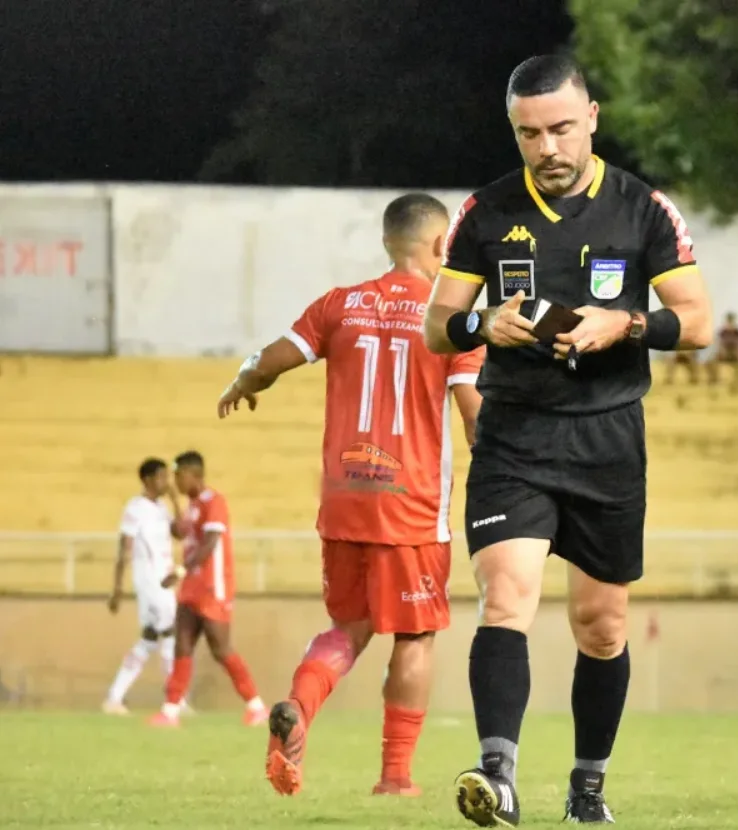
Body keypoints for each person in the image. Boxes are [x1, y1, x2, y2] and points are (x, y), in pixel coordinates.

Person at [424, 54, 713, 826]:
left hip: (607, 438)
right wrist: (482, 323)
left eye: (559, 129)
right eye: (528, 135)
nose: (546, 148)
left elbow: (698, 322)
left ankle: (587, 788)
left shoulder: (644, 208)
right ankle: (498, 776)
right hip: (514, 434)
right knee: (504, 599)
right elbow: (435, 325)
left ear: (591, 118)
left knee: (602, 625)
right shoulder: (483, 212)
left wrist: (624, 324)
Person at [215, 193, 484, 796]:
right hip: (410, 506)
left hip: (343, 500)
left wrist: (243, 380)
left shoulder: (339, 304)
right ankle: (395, 778)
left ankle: (297, 709)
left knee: (348, 627)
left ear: (390, 242)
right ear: (442, 246)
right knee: (414, 636)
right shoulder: (451, 320)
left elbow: (270, 359)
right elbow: (475, 416)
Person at [147, 451, 267, 727]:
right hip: (192, 587)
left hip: (214, 586)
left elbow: (211, 542)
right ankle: (170, 711)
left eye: (179, 476)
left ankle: (256, 706)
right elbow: (178, 531)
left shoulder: (215, 502)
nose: (176, 481)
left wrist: (179, 570)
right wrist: (174, 499)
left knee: (221, 649)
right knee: (182, 646)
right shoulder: (191, 505)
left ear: (194, 474)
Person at [102, 458, 186, 715]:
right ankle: (175, 700)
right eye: (162, 477)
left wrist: (174, 499)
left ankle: (114, 698)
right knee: (171, 631)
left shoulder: (161, 507)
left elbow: (182, 532)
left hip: (165, 579)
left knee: (150, 639)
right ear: (148, 480)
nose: (166, 482)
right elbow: (124, 547)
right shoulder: (135, 508)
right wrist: (117, 587)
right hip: (150, 581)